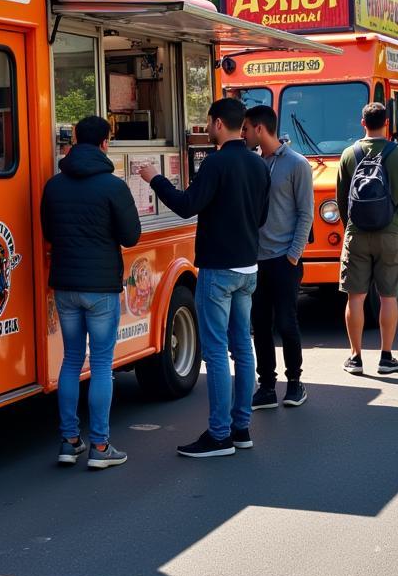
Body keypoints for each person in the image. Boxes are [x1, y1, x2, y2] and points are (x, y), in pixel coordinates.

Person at [138, 98, 270, 459]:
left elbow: (186, 205)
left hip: (218, 268)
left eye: (208, 123)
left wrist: (155, 179)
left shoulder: (215, 163)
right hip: (248, 267)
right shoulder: (258, 164)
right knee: (242, 347)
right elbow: (261, 216)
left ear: (216, 124)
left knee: (214, 350)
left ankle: (219, 434)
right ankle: (241, 428)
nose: (206, 128)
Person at [41, 116, 141, 470]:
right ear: (104, 144)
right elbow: (131, 236)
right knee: (100, 365)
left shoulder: (54, 185)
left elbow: (49, 231)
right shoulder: (112, 187)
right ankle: (100, 446)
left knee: (70, 360)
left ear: (75, 141)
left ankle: (69, 442)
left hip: (65, 286)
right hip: (101, 289)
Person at [336, 101, 398, 375]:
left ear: (362, 123)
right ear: (387, 124)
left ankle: (355, 358)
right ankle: (386, 357)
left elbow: (341, 198)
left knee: (355, 297)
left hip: (356, 234)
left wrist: (351, 227)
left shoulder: (348, 154)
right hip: (391, 233)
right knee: (388, 297)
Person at [242, 105, 314, 410]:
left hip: (284, 259)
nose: (242, 134)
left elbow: (305, 213)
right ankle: (267, 386)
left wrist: (293, 255)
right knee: (260, 323)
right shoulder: (254, 163)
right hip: (257, 259)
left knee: (287, 322)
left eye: (245, 128)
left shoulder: (297, 164)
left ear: (260, 129)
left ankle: (295, 383)